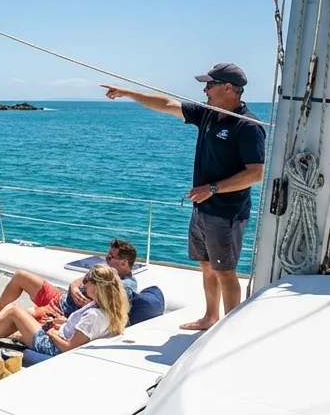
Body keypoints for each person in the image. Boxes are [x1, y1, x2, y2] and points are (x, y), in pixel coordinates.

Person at [102, 63, 266, 331]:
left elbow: (256, 173)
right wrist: (128, 93)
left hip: (226, 213)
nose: (205, 90)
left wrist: (212, 188)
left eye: (209, 85)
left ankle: (230, 331)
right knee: (207, 265)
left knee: (225, 271)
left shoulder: (247, 126)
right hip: (202, 209)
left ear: (227, 88)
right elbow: (167, 104)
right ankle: (210, 317)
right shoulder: (208, 114)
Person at [0, 264, 130, 355]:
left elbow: (68, 348)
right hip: (60, 332)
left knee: (15, 312)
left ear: (99, 287)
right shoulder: (106, 307)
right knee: (20, 314)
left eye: (88, 282)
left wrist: (52, 333)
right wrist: (66, 323)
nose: (84, 285)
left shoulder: (94, 315)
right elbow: (82, 331)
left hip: (51, 346)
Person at [0, 240, 140, 323]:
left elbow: (108, 311)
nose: (106, 258)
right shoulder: (105, 269)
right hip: (60, 297)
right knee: (20, 276)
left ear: (124, 263)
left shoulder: (125, 287)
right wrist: (74, 288)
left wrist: (69, 319)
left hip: (61, 311)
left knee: (19, 314)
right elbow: (77, 282)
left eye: (110, 257)